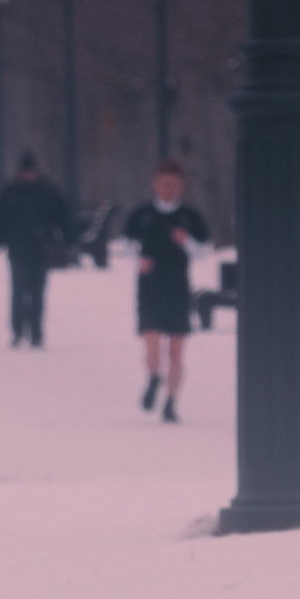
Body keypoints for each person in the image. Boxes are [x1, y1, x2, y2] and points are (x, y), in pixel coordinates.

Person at [125, 160, 210, 422]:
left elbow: (204, 251)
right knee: (152, 344)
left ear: (181, 186)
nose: (169, 189)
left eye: (174, 184)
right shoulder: (142, 214)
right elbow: (127, 243)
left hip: (178, 287)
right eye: (164, 184)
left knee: (176, 350)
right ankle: (153, 377)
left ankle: (171, 402)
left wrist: (187, 242)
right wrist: (140, 259)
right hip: (149, 286)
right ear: (155, 184)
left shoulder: (190, 217)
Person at [0, 152, 74, 349]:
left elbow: (63, 217)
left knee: (36, 293)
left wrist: (68, 240)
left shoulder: (45, 192)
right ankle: (18, 331)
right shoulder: (14, 192)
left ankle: (35, 332)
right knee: (19, 292)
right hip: (19, 250)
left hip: (41, 250)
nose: (29, 175)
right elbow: (0, 223)